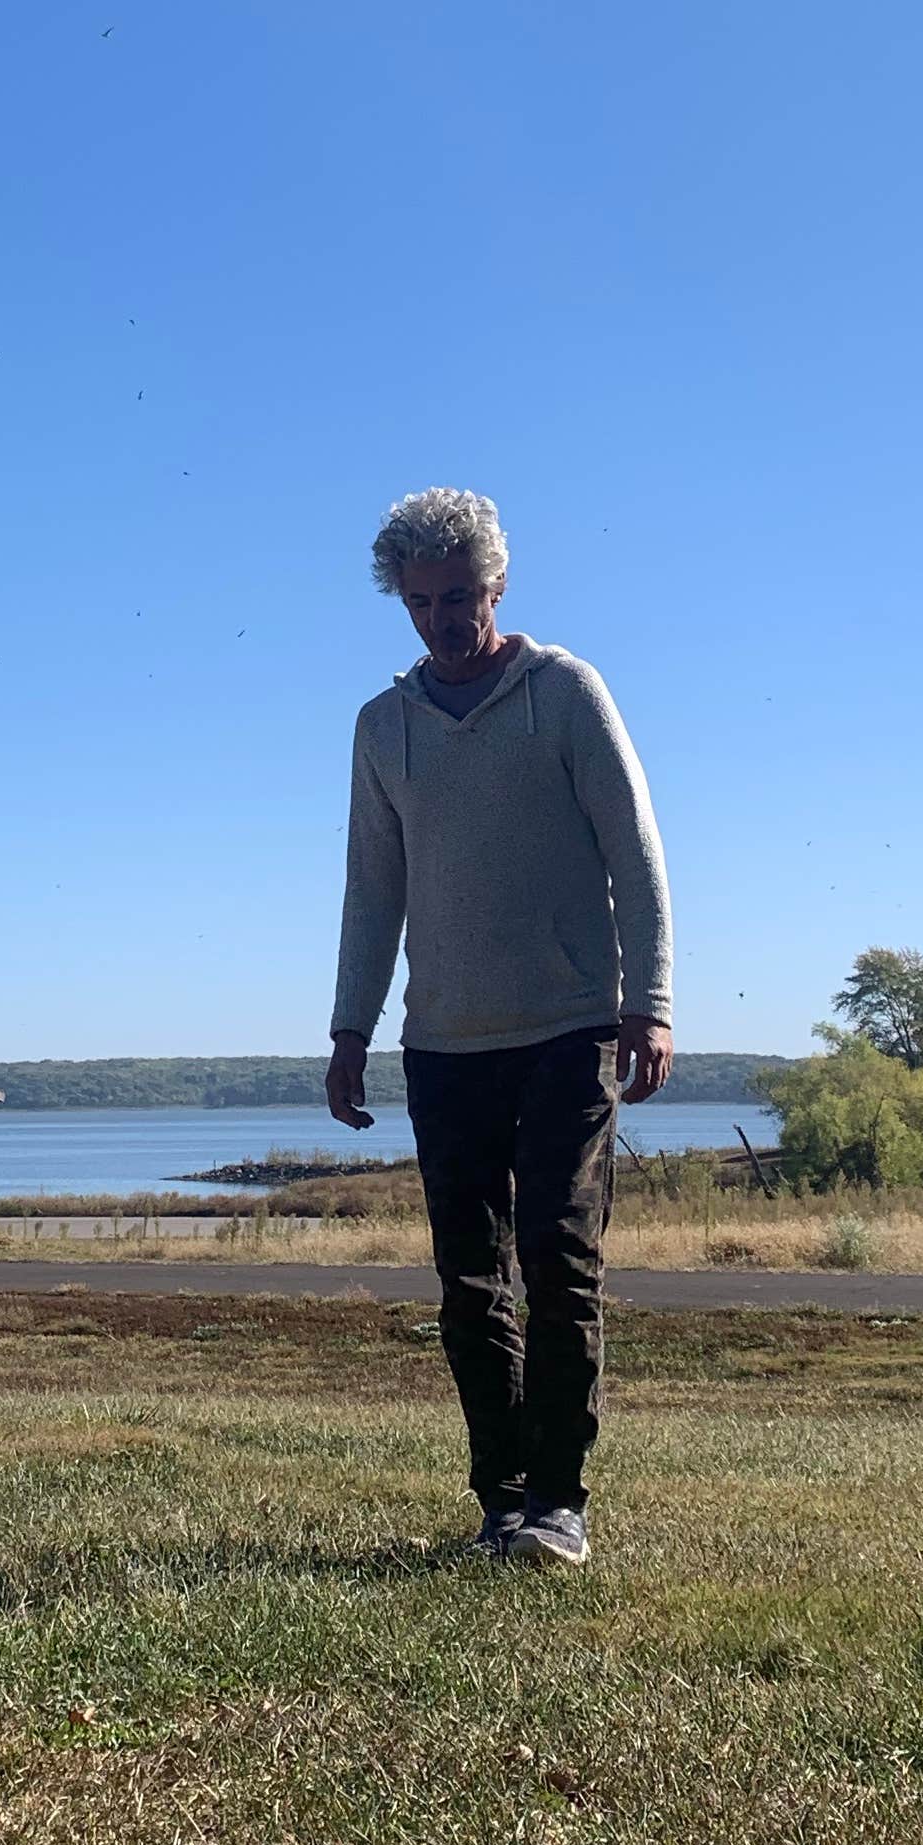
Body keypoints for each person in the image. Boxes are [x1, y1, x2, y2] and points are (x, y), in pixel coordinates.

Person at [328, 487, 672, 1569]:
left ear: (499, 585)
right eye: (420, 602)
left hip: (569, 1032)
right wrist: (350, 1031)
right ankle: (503, 1498)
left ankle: (560, 1502)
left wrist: (648, 1002)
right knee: (469, 1278)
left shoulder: (564, 693)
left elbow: (637, 854)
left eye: (460, 597)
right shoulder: (383, 727)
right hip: (443, 1045)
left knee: (558, 1257)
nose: (442, 621)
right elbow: (373, 891)